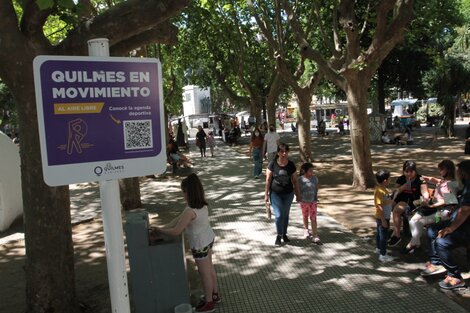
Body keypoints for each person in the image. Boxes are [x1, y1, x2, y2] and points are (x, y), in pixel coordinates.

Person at [150, 173, 220, 312]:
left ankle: (209, 303)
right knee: (210, 269)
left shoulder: (190, 210)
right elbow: (177, 220)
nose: (182, 194)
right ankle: (215, 294)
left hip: (200, 245)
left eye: (183, 192)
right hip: (208, 239)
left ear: (188, 192)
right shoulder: (201, 205)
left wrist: (160, 231)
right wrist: (161, 230)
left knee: (204, 273)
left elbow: (176, 231)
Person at [421, 160, 470, 290]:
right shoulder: (450, 182)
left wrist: (450, 227)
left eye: (458, 172)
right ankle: (436, 262)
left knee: (426, 226)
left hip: (445, 213)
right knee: (431, 229)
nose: (456, 173)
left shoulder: (452, 184)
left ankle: (454, 275)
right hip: (447, 215)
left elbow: (452, 203)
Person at [403, 160, 458, 254]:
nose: (440, 172)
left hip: (443, 214)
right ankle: (417, 242)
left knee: (419, 222)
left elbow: (448, 201)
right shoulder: (444, 180)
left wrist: (431, 205)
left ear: (447, 170)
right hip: (434, 209)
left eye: (441, 170)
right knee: (411, 219)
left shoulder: (451, 184)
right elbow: (435, 180)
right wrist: (425, 178)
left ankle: (412, 243)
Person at [264, 143, 300, 246]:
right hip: (275, 194)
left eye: (286, 151)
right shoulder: (272, 164)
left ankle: (284, 234)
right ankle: (279, 236)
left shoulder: (291, 165)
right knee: (279, 215)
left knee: (285, 215)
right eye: (281, 152)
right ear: (278, 153)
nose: (284, 154)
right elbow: (268, 180)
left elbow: (295, 180)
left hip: (288, 194)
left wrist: (298, 194)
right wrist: (266, 194)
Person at [388, 160, 430, 247]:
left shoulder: (420, 179)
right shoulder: (402, 178)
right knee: (386, 207)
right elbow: (395, 192)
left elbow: (425, 192)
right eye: (406, 171)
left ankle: (397, 234)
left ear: (415, 170)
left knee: (397, 209)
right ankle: (387, 229)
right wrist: (402, 188)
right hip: (400, 199)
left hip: (412, 202)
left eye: (411, 171)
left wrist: (426, 198)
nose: (409, 174)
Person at [298, 163, 321, 244]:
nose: (312, 172)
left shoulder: (314, 178)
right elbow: (297, 190)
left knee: (313, 218)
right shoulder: (300, 179)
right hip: (303, 201)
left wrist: (316, 197)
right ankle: (306, 229)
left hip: (313, 201)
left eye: (312, 170)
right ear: (305, 171)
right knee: (305, 216)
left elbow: (316, 188)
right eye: (310, 170)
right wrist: (299, 197)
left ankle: (315, 235)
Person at [374, 170, 394, 262]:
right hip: (382, 217)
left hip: (384, 217)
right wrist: (383, 220)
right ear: (385, 180)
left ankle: (379, 249)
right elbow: (379, 206)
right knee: (383, 236)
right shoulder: (379, 191)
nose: (390, 180)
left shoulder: (384, 189)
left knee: (379, 234)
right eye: (389, 178)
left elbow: (386, 202)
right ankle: (383, 255)